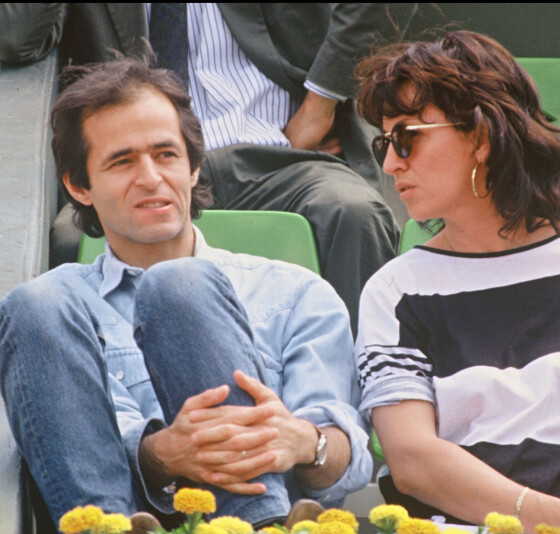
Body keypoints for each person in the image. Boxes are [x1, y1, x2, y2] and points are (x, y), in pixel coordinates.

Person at [0, 53, 372, 534]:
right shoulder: (56, 312)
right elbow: (78, 444)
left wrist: (306, 440)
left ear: (194, 167)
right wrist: (159, 455)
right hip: (131, 530)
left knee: (181, 285)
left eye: (166, 155)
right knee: (32, 300)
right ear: (78, 186)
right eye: (122, 161)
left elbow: (348, 460)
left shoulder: (294, 293)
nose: (151, 177)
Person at [0, 3, 408, 335]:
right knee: (71, 238)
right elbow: (15, 37)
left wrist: (321, 102)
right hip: (143, 164)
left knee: (353, 212)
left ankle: (368, 416)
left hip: (282, 151)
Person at [354, 30, 560, 534]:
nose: (391, 164)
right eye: (383, 143)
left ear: (482, 136)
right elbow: (413, 460)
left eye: (406, 136)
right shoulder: (396, 291)